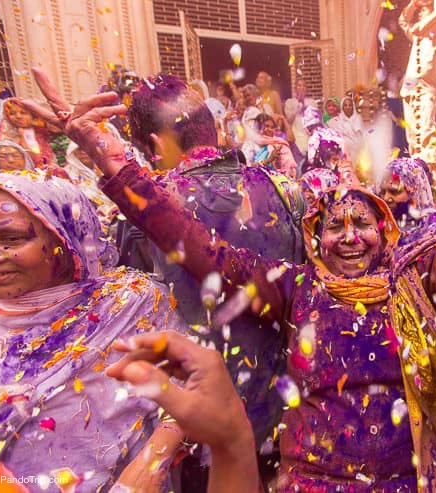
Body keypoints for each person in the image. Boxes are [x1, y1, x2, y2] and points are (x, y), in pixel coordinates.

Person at [25, 19, 436, 491]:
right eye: (334, 224)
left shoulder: (419, 282)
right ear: (314, 236)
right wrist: (105, 153)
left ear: (384, 233)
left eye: (362, 223)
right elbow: (191, 240)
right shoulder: (291, 290)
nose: (348, 234)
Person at [116, 74, 305, 488]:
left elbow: (138, 317)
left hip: (199, 424)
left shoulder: (146, 210)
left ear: (154, 143)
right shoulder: (284, 188)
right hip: (282, 413)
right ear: (213, 128)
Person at [0, 171, 186, 492]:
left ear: (64, 239)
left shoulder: (131, 304)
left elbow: (191, 389)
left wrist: (151, 464)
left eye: (11, 240)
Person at [399, 0, 436, 166]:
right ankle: (415, 166)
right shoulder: (416, 35)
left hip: (427, 86)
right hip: (410, 86)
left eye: (424, 11)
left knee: (426, 128)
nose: (421, 14)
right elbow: (403, 20)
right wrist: (414, 5)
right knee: (412, 132)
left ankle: (430, 170)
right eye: (420, 12)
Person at [0, 99, 55, 167]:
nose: (18, 116)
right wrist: (21, 137)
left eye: (23, 113)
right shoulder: (5, 134)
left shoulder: (40, 132)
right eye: (12, 113)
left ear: (33, 115)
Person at [241, 113, 297, 178]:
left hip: (280, 181)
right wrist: (268, 160)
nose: (270, 130)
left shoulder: (277, 142)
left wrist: (283, 119)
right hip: (258, 181)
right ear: (258, 128)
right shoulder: (250, 145)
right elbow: (245, 167)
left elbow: (291, 139)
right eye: (266, 126)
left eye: (272, 127)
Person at [284, 78, 317, 157]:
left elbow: (315, 120)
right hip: (296, 135)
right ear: (295, 88)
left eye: (304, 86)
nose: (301, 87)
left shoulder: (312, 102)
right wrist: (297, 106)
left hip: (308, 135)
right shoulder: (290, 102)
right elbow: (289, 120)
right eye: (299, 85)